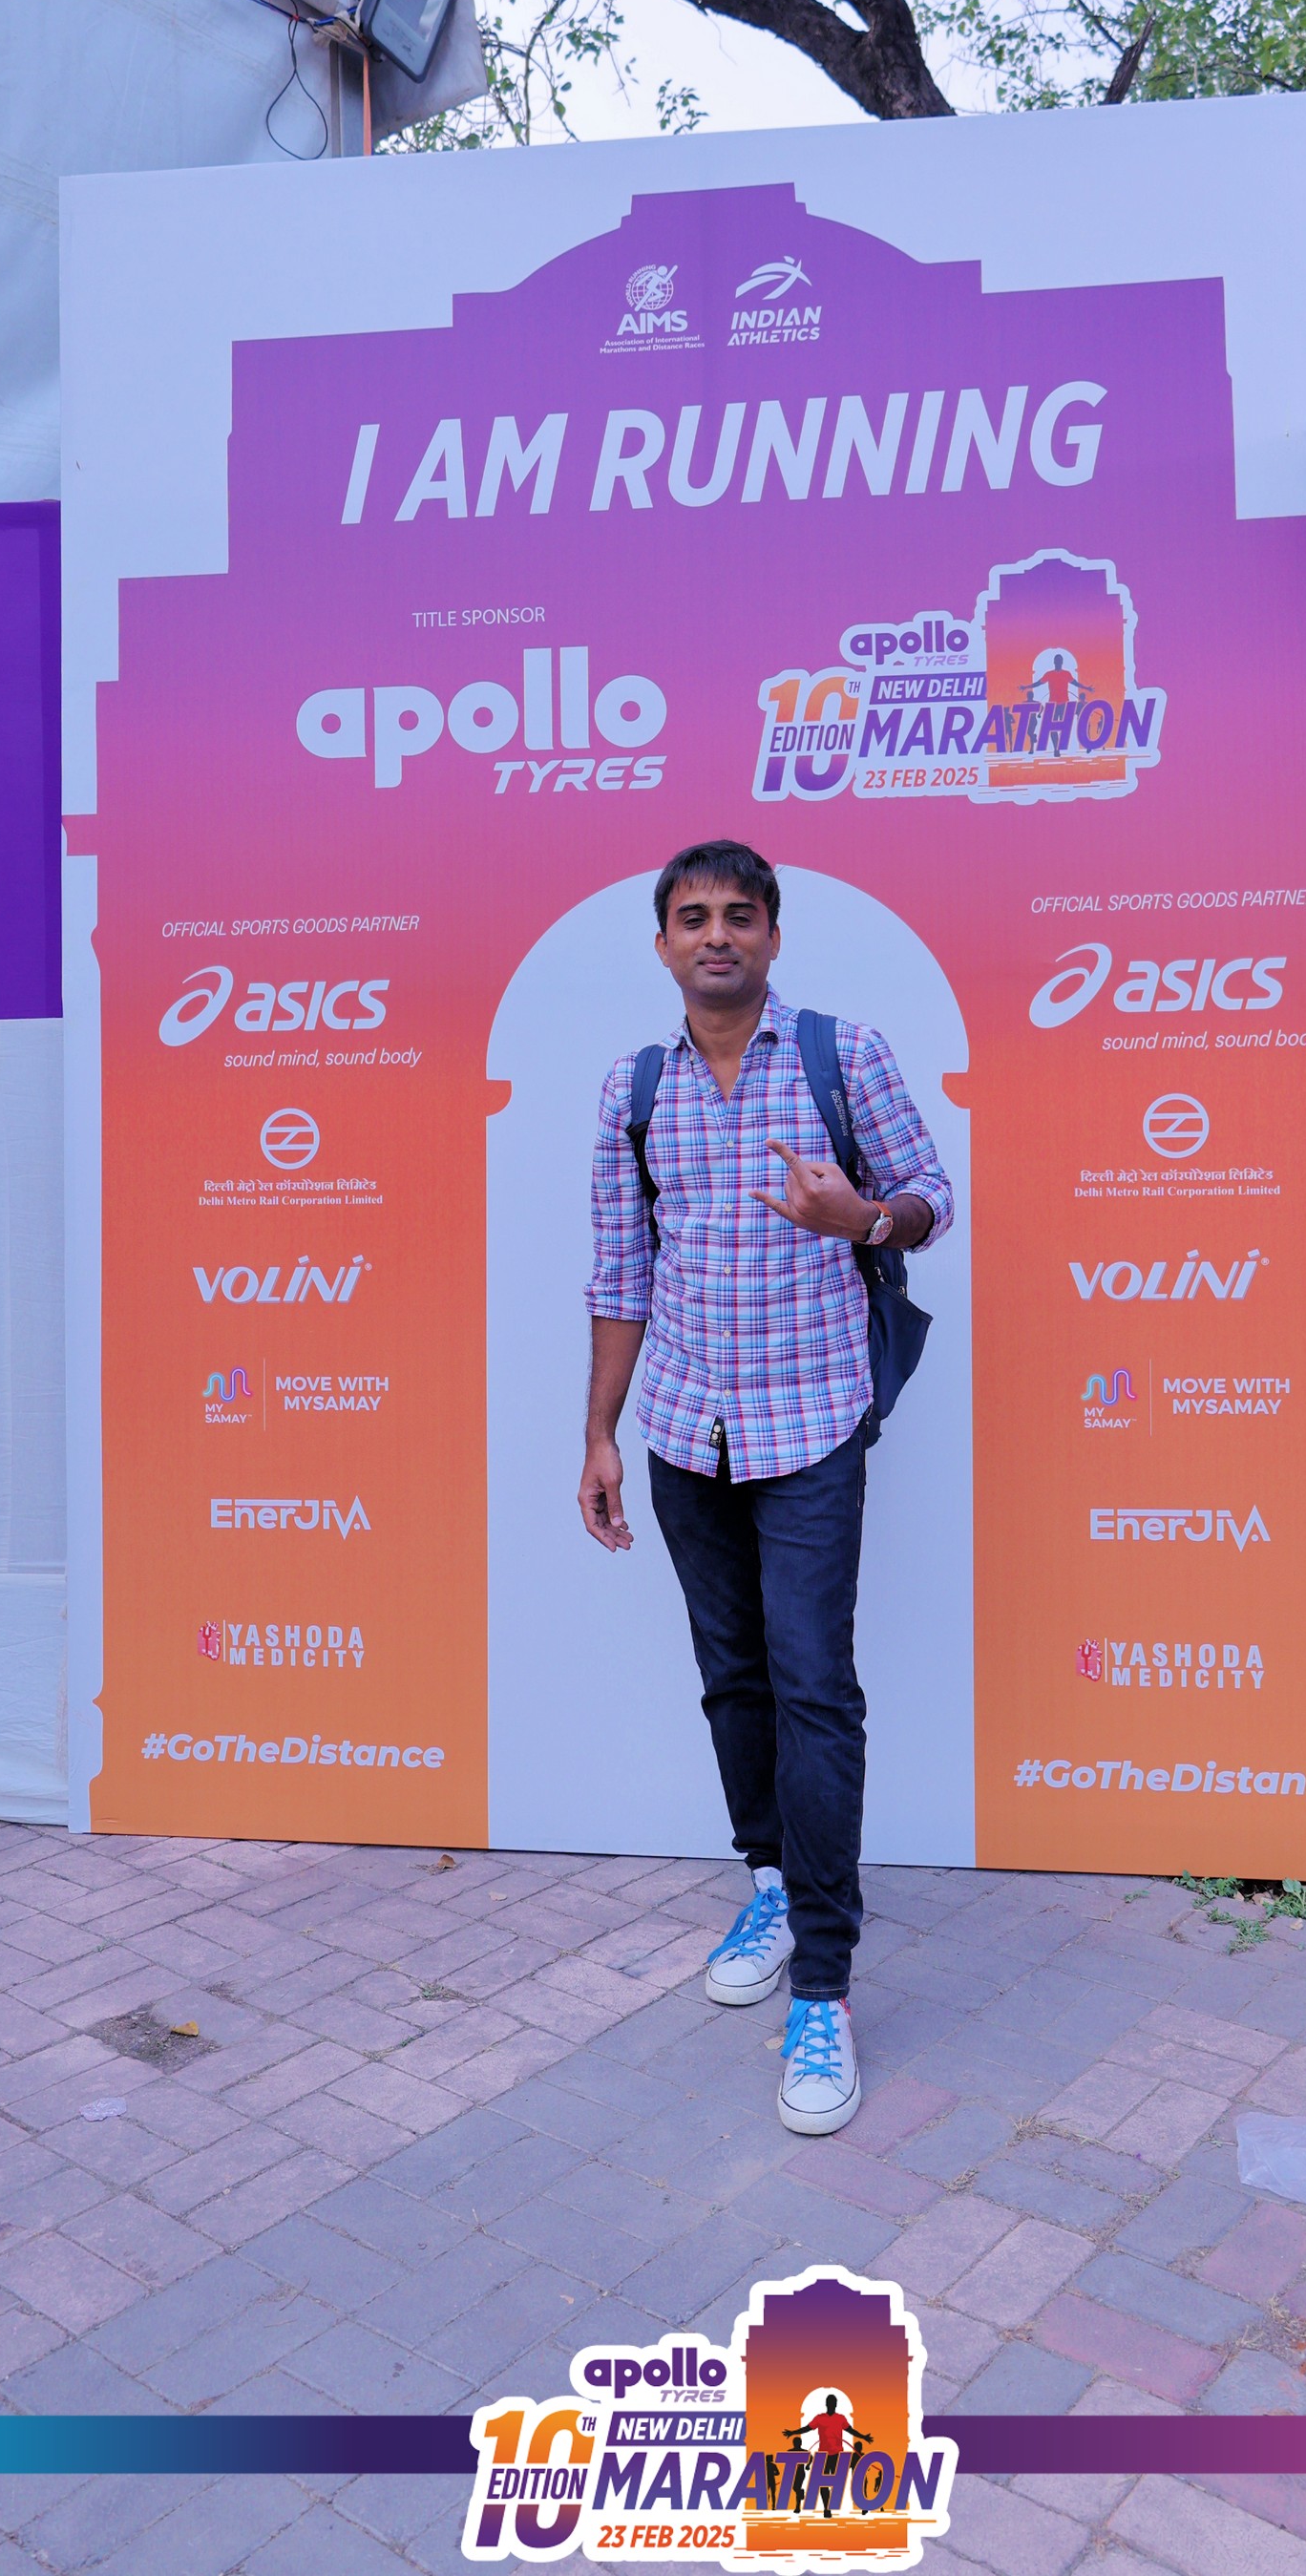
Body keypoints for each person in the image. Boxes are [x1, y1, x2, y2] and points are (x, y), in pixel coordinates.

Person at [578, 839, 953, 2137]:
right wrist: (600, 1434)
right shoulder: (635, 1089)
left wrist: (864, 1220)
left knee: (815, 1689)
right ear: (664, 945)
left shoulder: (845, 1057)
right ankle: (773, 1885)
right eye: (693, 917)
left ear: (774, 937)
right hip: (686, 1430)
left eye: (741, 915)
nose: (717, 935)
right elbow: (620, 1273)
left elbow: (931, 1197)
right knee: (733, 1678)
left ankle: (826, 1989)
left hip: (811, 1428)